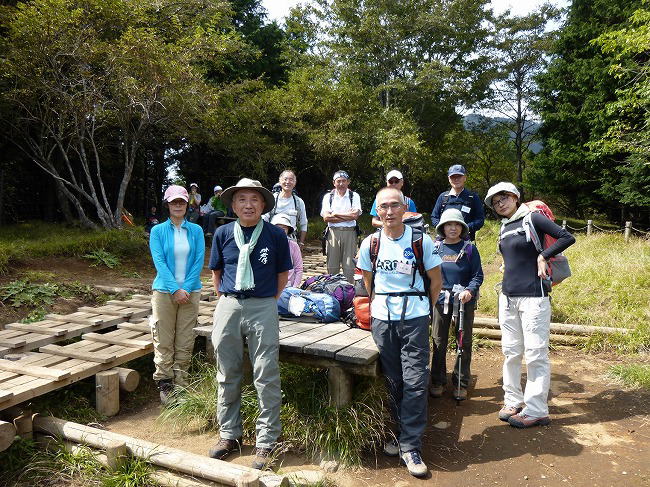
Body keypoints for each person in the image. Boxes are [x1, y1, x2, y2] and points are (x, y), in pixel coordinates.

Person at [357, 187, 442, 478]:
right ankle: (399, 432)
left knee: (415, 380)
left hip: (415, 318)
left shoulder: (421, 241)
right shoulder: (370, 243)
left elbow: (436, 282)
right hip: (383, 320)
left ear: (405, 209)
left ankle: (411, 445)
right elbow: (368, 282)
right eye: (383, 206)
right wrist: (381, 306)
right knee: (393, 380)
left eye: (395, 205)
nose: (389, 211)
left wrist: (423, 308)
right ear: (377, 211)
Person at [207, 178, 292, 470]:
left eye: (254, 199)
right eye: (242, 199)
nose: (248, 205)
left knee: (266, 373)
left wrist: (267, 300)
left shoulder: (275, 235)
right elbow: (217, 272)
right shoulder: (222, 233)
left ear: (263, 204)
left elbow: (283, 274)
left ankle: (267, 440)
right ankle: (229, 435)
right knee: (226, 372)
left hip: (263, 305)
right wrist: (226, 300)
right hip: (229, 304)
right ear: (233, 205)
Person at [485, 182, 575, 428]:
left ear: (515, 197)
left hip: (534, 297)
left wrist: (543, 255)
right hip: (508, 297)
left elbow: (567, 237)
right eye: (495, 202)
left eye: (504, 198)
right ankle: (512, 400)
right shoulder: (505, 226)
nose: (500, 204)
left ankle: (536, 410)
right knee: (511, 352)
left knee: (535, 353)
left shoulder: (532, 218)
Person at [148, 185, 205, 404]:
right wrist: (175, 289)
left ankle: (181, 381)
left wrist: (186, 289)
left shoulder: (196, 230)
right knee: (163, 337)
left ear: (187, 204)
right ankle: (165, 381)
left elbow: (199, 261)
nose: (178, 205)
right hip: (164, 291)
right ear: (168, 205)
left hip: (191, 291)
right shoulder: (158, 231)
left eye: (182, 201)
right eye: (174, 202)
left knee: (185, 337)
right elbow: (159, 262)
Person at [429, 208, 484, 401]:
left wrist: (470, 290)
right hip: (440, 300)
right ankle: (437, 380)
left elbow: (477, 275)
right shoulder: (435, 248)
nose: (453, 228)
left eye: (457, 224)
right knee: (438, 340)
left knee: (463, 342)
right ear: (442, 228)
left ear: (462, 227)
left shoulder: (469, 249)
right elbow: (428, 273)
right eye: (448, 225)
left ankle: (461, 382)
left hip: (463, 300)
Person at [320, 170, 362, 283]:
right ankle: (333, 289)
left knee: (349, 266)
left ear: (348, 182)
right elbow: (326, 218)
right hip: (333, 233)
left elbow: (355, 216)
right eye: (338, 181)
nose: (341, 184)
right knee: (332, 266)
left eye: (344, 181)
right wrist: (348, 216)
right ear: (334, 183)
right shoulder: (328, 197)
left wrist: (335, 214)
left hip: (350, 232)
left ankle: (349, 289)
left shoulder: (354, 196)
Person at [431, 165, 484, 241]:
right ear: (449, 179)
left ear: (465, 178)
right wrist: (444, 229)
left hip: (466, 241)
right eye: (453, 177)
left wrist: (464, 228)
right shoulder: (443, 197)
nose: (456, 179)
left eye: (459, 176)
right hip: (444, 241)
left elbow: (480, 220)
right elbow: (434, 217)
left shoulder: (473, 197)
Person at [264, 170, 308, 247]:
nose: (288, 182)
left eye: (291, 179)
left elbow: (304, 224)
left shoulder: (299, 202)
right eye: (285, 179)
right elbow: (264, 220)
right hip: (272, 240)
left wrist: (301, 243)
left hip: (292, 241)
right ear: (280, 181)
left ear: (295, 182)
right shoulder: (271, 199)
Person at [271, 213, 303, 287]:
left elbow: (298, 268)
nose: (280, 231)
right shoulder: (267, 245)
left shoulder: (293, 245)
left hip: (288, 286)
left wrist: (295, 286)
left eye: (284, 229)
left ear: (288, 230)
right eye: (277, 228)